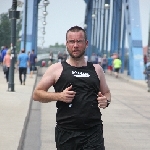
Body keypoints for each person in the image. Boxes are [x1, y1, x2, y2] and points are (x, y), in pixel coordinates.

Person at [33, 26, 111, 150]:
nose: (75, 45)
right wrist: (59, 96)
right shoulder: (56, 69)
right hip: (66, 132)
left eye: (79, 41)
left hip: (93, 131)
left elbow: (106, 92)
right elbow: (37, 94)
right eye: (72, 41)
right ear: (66, 44)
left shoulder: (96, 69)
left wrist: (106, 101)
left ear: (86, 44)